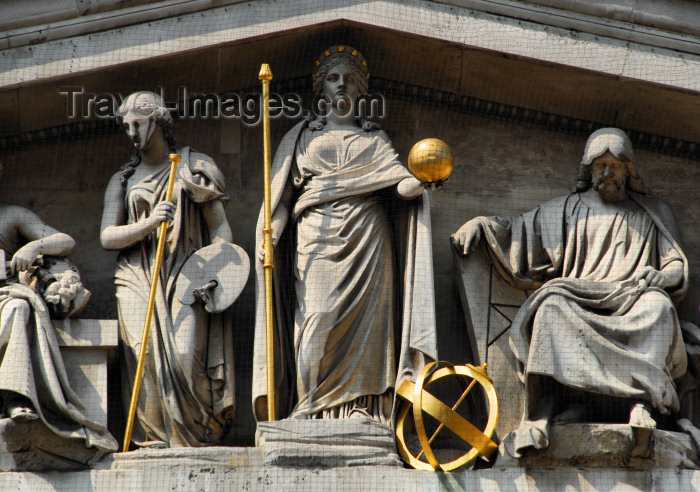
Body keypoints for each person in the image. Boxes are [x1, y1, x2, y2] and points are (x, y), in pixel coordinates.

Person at [452, 128, 688, 457]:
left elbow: (676, 264)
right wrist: (483, 225)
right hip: (579, 296)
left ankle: (641, 405)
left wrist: (660, 277)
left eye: (614, 165)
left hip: (632, 298)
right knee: (550, 305)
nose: (607, 172)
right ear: (588, 170)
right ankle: (547, 412)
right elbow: (520, 231)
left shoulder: (653, 213)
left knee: (659, 308)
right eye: (599, 165)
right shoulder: (568, 209)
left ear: (628, 170)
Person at [252, 46, 437, 424]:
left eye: (349, 79)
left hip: (368, 239)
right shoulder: (301, 136)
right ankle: (308, 408)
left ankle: (361, 410)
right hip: (314, 237)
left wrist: (424, 179)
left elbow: (400, 186)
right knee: (316, 318)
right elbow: (282, 196)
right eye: (334, 78)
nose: (342, 85)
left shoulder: (375, 139)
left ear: (360, 90)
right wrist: (271, 232)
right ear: (322, 88)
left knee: (367, 333)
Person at [101, 91, 235, 447]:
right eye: (126, 126)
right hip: (136, 276)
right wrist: (148, 224)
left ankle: (192, 440)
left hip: (186, 275)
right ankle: (152, 441)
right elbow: (107, 236)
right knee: (142, 355)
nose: (132, 132)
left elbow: (221, 231)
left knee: (183, 355)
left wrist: (215, 275)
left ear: (158, 122)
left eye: (139, 124)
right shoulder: (122, 180)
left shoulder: (193, 169)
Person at [0, 175, 116, 452]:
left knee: (19, 306)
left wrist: (34, 246)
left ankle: (15, 395)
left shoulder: (10, 215)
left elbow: (65, 241)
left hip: (3, 298)